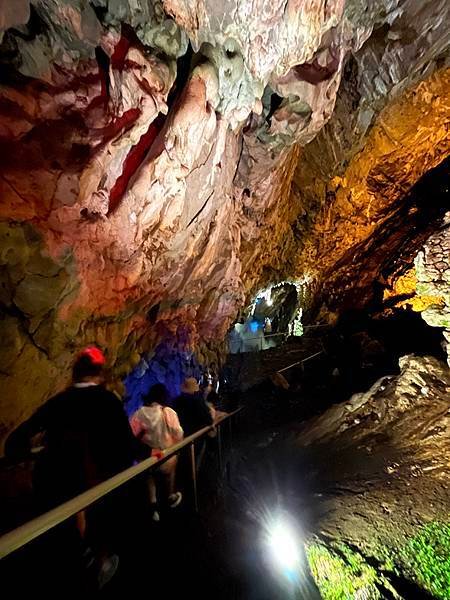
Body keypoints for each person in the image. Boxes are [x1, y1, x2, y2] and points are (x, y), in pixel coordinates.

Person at [5, 346, 136, 589]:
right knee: (98, 524)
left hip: (58, 480)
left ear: (74, 373)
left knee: (67, 532)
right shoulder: (108, 401)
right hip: (98, 480)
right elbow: (125, 442)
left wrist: (27, 455)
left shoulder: (58, 402)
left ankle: (75, 566)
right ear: (101, 374)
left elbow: (17, 439)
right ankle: (99, 564)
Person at [129, 383, 183, 522]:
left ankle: (153, 506)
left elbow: (131, 434)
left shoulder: (139, 413)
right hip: (165, 457)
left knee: (149, 477)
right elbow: (178, 434)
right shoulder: (168, 412)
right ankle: (170, 495)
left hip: (147, 459)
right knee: (171, 469)